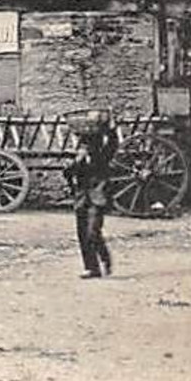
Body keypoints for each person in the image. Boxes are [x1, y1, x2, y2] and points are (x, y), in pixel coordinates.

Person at [65, 111, 116, 279]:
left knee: (93, 232)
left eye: (87, 147)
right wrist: (72, 172)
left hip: (97, 197)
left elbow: (112, 145)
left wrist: (111, 129)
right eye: (82, 146)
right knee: (82, 235)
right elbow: (67, 173)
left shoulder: (102, 157)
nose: (84, 149)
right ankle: (92, 268)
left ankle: (105, 259)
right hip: (82, 199)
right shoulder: (77, 161)